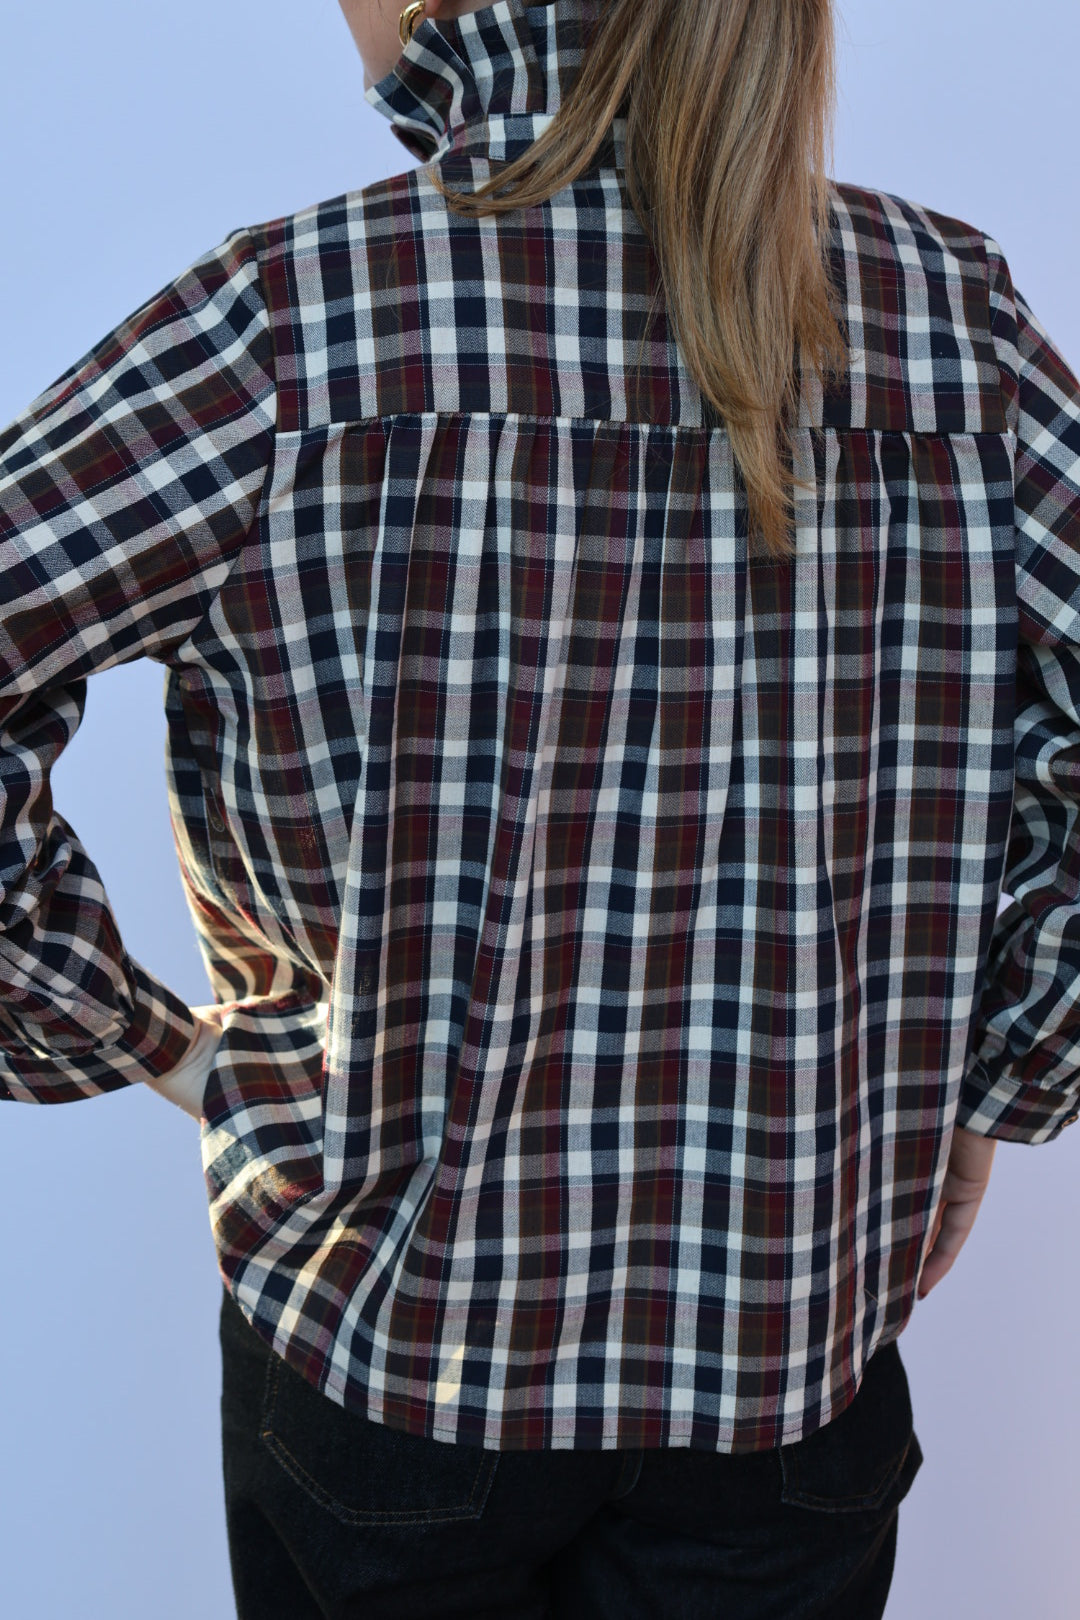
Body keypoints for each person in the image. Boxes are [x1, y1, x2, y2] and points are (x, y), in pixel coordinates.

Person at [1, 0, 1077, 1614]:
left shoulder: (291, 325)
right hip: (788, 1354)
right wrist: (1005, 1075)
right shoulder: (950, 324)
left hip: (391, 1359)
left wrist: (147, 1045)